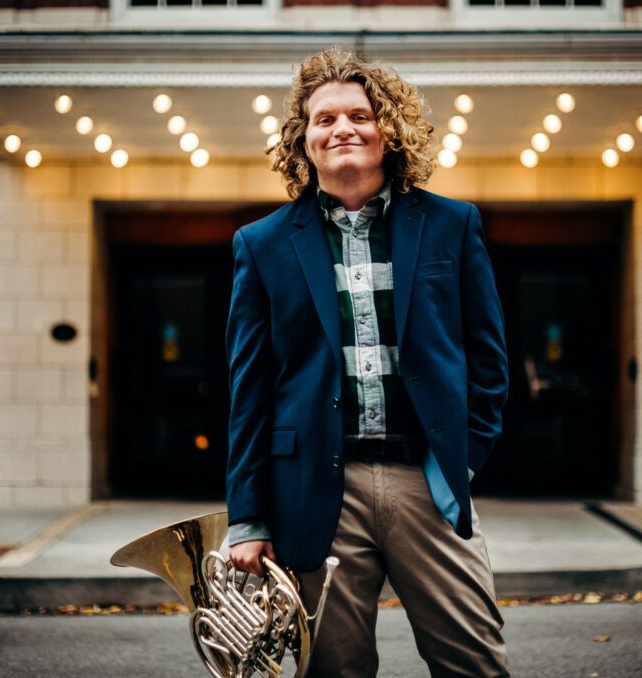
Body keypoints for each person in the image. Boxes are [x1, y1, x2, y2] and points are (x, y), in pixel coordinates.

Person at [225, 46, 510, 677]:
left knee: (476, 664)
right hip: (316, 490)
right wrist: (247, 516)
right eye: (323, 119)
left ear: (389, 129)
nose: (342, 129)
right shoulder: (262, 244)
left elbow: (489, 361)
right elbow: (250, 391)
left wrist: (459, 458)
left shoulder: (453, 225)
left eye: (359, 114)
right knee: (334, 670)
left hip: (427, 484)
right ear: (304, 140)